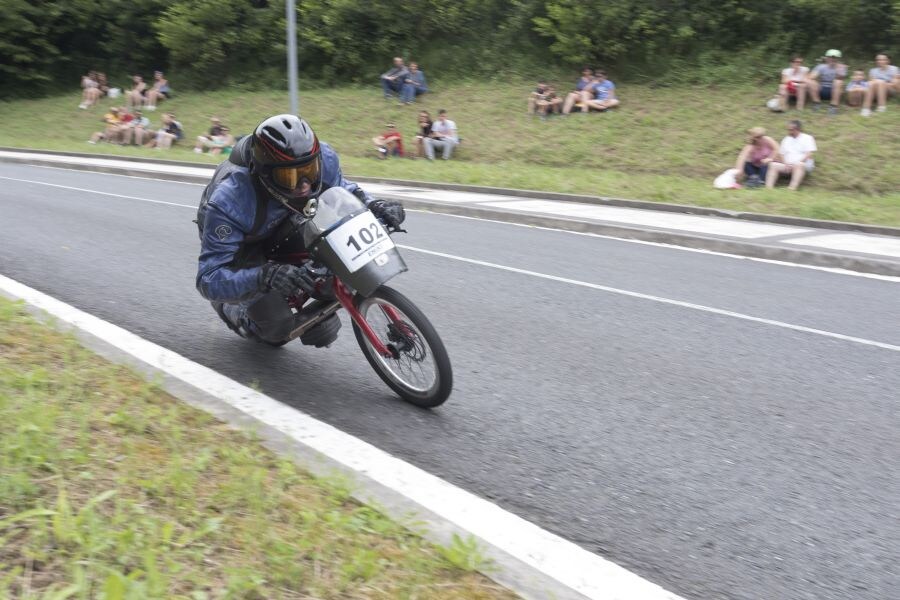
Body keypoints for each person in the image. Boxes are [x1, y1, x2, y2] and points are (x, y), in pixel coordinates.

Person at [195, 114, 406, 345]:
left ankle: (300, 285)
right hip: (244, 242)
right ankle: (234, 312)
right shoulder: (228, 201)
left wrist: (376, 205)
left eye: (309, 171)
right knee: (277, 327)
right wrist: (265, 275)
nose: (304, 185)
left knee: (340, 265)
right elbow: (208, 279)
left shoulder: (323, 157)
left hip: (285, 220)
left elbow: (343, 189)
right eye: (290, 176)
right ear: (265, 173)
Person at [765, 120, 817, 191]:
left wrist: (796, 163)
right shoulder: (786, 139)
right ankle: (768, 188)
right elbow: (781, 154)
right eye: (788, 130)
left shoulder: (807, 138)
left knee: (799, 165)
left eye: (791, 130)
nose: (789, 132)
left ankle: (792, 188)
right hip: (787, 165)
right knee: (773, 165)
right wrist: (785, 163)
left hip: (803, 164)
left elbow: (809, 154)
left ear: (798, 129)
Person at [807, 50, 847, 114]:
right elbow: (811, 77)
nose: (832, 59)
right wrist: (815, 75)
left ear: (838, 59)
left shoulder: (841, 67)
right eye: (830, 57)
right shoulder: (821, 66)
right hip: (822, 89)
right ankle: (816, 103)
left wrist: (837, 69)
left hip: (835, 91)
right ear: (827, 58)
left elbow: (841, 78)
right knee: (810, 81)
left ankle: (833, 106)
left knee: (838, 82)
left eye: (835, 57)